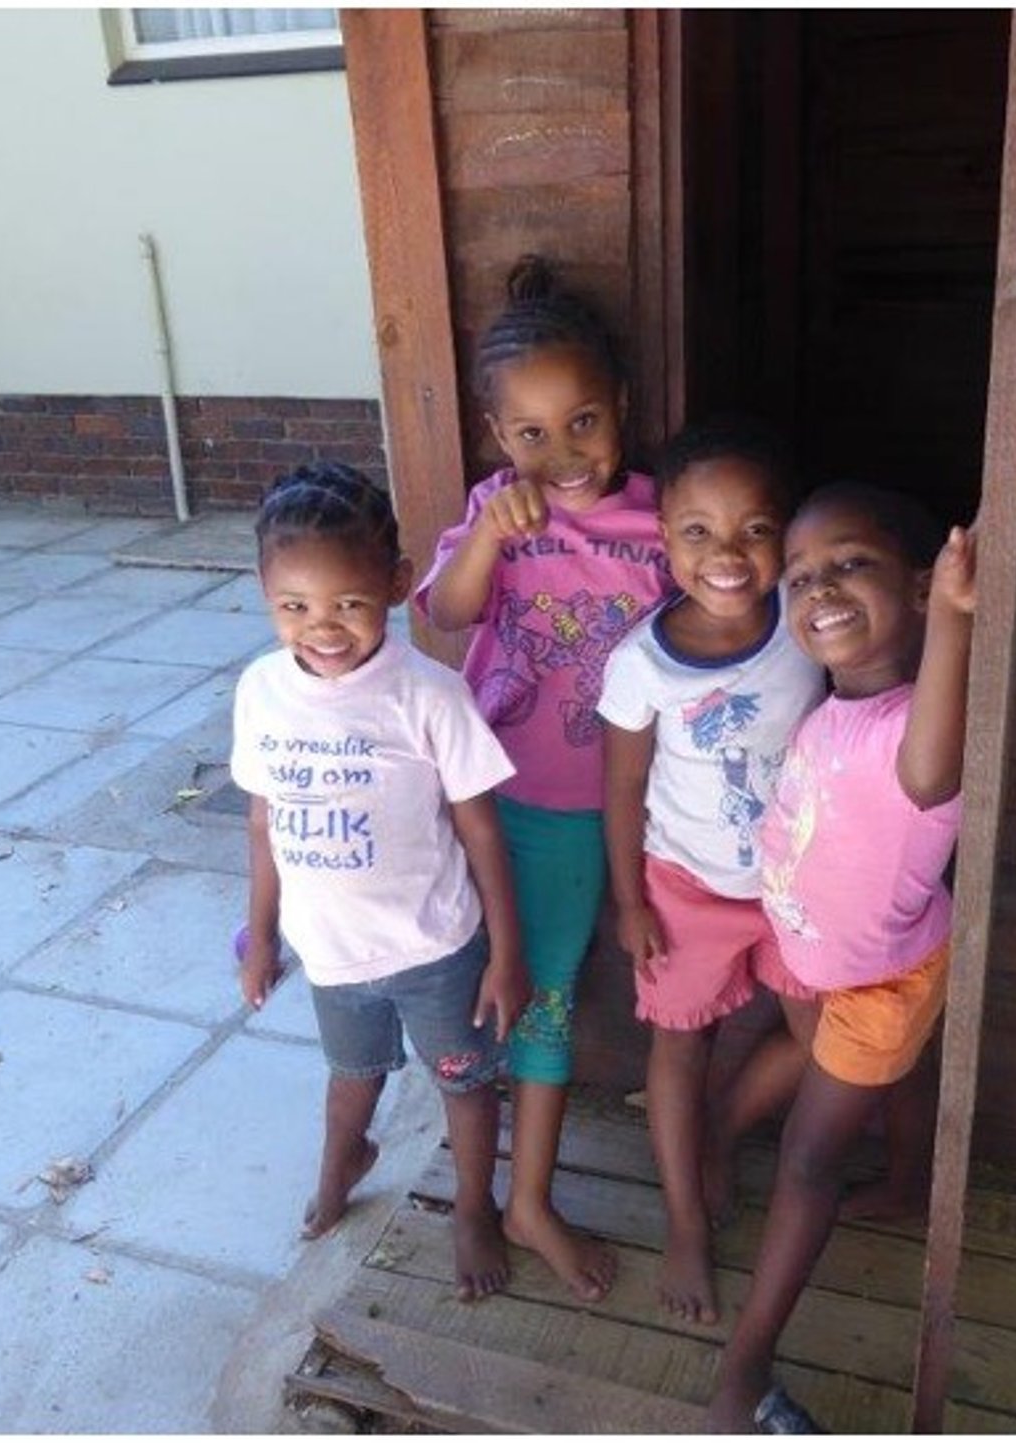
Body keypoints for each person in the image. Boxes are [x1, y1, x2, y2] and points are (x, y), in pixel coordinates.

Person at [705, 483, 1016, 1432]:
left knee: (808, 1159)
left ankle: (744, 1369)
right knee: (894, 1075)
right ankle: (902, 1178)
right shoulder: (834, 702)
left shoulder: (917, 732)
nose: (820, 589)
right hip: (820, 954)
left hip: (878, 980)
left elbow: (926, 767)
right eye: (802, 576)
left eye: (851, 564)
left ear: (922, 587)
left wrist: (959, 615)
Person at [413, 255, 672, 1302]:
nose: (561, 454)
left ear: (623, 408)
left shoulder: (664, 523)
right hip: (481, 796)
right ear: (495, 437)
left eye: (583, 423)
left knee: (543, 997)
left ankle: (524, 1200)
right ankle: (478, 1198)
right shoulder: (496, 511)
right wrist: (486, 532)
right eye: (530, 434)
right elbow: (444, 613)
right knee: (466, 995)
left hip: (581, 816)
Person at [231, 461, 530, 1303]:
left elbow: (481, 828)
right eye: (294, 607)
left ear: (397, 585)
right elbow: (262, 823)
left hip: (436, 947)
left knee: (464, 1082)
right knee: (350, 1073)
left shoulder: (429, 695)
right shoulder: (260, 691)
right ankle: (343, 1162)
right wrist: (261, 936)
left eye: (350, 604)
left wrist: (506, 954)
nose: (323, 629)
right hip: (332, 952)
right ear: (264, 592)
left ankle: (473, 1205)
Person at [597, 417, 827, 1327]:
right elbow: (622, 787)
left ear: (786, 534)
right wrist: (630, 901)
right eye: (698, 531)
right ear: (664, 537)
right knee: (678, 1045)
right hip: (685, 889)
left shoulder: (806, 624)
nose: (727, 554)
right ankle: (685, 1220)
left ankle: (722, 1130)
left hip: (796, 885)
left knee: (826, 1040)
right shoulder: (641, 665)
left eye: (754, 529)